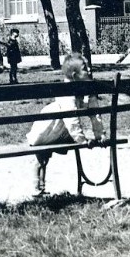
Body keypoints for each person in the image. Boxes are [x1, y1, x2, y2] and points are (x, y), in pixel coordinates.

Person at [26, 53, 105, 196]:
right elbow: (72, 120)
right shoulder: (66, 93)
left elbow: (94, 112)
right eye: (85, 68)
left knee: (43, 158)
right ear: (75, 75)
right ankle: (36, 188)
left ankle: (39, 188)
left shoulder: (82, 88)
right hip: (48, 128)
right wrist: (82, 140)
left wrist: (100, 135)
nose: (89, 70)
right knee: (41, 158)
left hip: (60, 129)